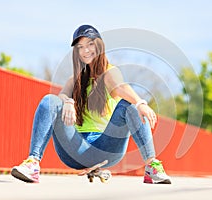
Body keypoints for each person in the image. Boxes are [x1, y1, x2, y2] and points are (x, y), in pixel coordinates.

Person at [11, 24, 171, 184]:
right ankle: (33, 163)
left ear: (99, 46)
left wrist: (140, 102)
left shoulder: (109, 73)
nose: (85, 50)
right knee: (49, 100)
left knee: (130, 106)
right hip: (75, 149)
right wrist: (67, 101)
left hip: (106, 149)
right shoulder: (75, 80)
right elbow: (57, 101)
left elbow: (121, 87)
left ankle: (152, 167)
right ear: (76, 52)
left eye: (90, 44)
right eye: (80, 47)